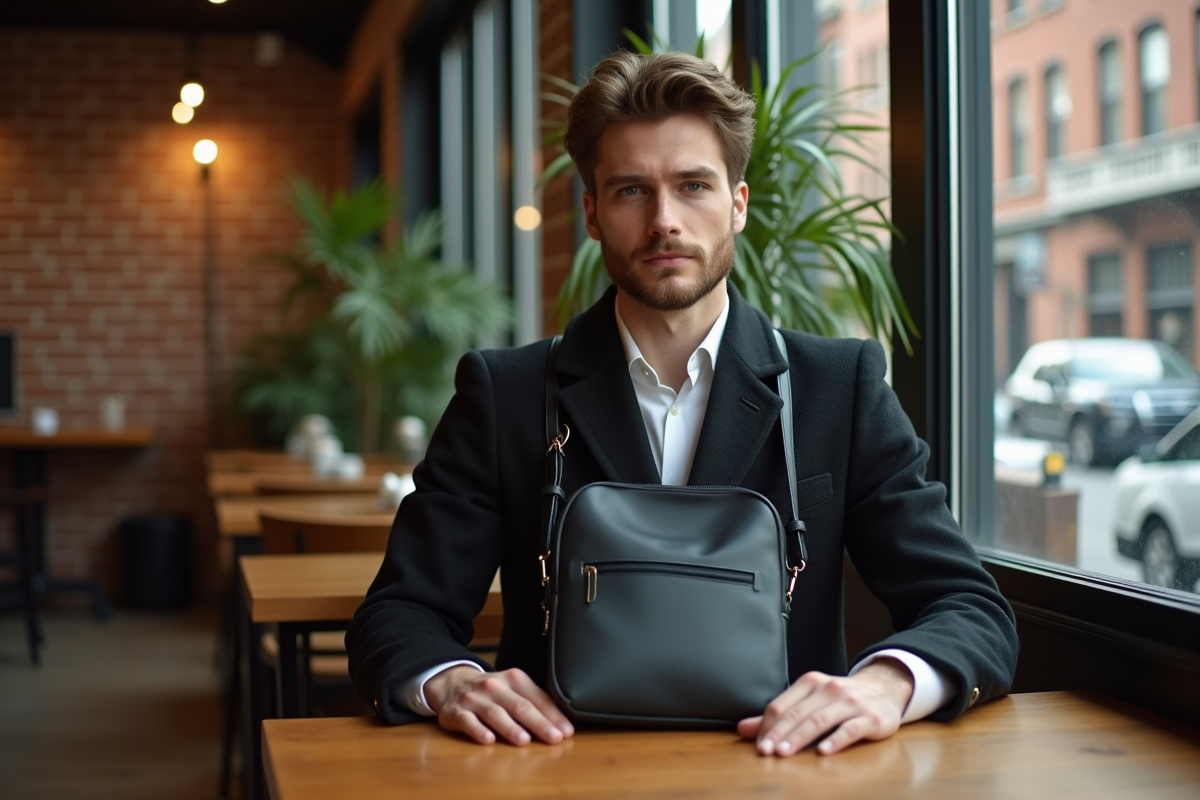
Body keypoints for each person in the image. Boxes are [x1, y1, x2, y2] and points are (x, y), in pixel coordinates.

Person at [346, 50, 1017, 757]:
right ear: (592, 213)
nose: (664, 220)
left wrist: (887, 684)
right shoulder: (505, 393)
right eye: (631, 190)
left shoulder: (837, 386)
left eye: (693, 185)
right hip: (559, 770)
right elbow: (398, 614)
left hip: (782, 771)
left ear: (738, 204)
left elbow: (970, 606)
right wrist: (452, 682)